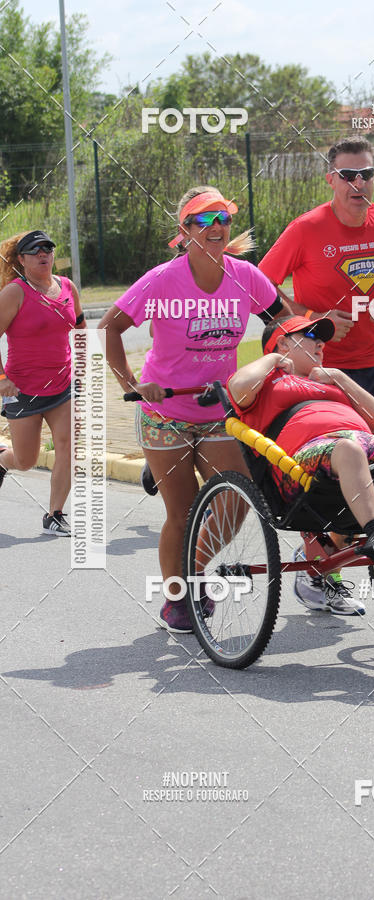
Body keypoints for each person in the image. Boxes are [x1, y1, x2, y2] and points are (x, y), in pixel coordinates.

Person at [99, 186, 286, 634]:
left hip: (218, 409)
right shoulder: (163, 280)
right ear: (185, 231)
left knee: (237, 501)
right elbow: (108, 328)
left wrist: (275, 364)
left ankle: (193, 571)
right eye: (204, 220)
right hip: (165, 414)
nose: (216, 226)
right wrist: (134, 386)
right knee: (181, 515)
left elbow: (284, 322)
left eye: (222, 217)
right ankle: (177, 598)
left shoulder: (246, 276)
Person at [258, 136, 374, 607]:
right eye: (348, 175)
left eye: (366, 173)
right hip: (318, 378)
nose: (358, 183)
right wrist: (314, 322)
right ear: (330, 179)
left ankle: (372, 543)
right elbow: (262, 288)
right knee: (321, 480)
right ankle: (315, 573)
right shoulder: (306, 229)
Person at [227, 316, 374, 613]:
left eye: (322, 338)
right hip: (302, 460)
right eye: (309, 334)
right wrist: (273, 358)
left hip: (361, 445)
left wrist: (340, 377)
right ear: (282, 341)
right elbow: (237, 388)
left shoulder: (331, 381)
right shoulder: (267, 380)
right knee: (346, 449)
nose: (321, 342)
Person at [0, 230, 86, 535]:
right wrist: (1, 379)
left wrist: (83, 365)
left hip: (63, 385)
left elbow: (79, 325)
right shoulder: (14, 293)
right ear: (21, 260)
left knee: (68, 446)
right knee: (25, 460)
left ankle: (55, 514)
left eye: (48, 248)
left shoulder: (66, 287)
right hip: (22, 390)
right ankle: (3, 459)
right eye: (34, 250)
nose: (43, 254)